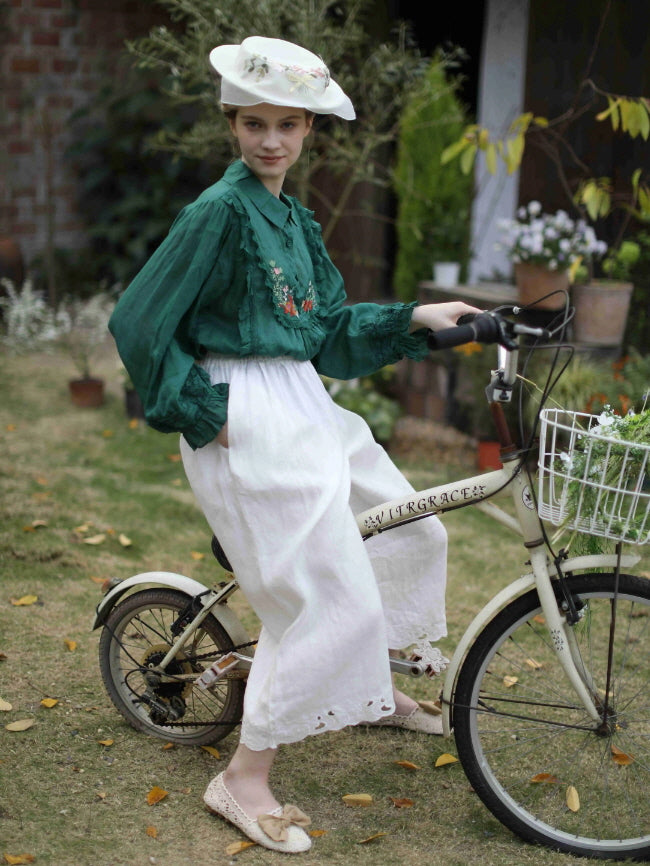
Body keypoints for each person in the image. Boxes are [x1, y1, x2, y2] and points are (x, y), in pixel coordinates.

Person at [109, 35, 481, 855]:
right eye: (252, 123)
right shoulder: (216, 212)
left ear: (310, 130)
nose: (269, 139)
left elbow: (326, 338)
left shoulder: (294, 220)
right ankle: (242, 779)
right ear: (232, 126)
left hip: (305, 404)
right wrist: (207, 415)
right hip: (244, 414)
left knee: (410, 523)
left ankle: (372, 686)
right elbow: (137, 321)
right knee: (324, 588)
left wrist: (419, 318)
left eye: (286, 124)